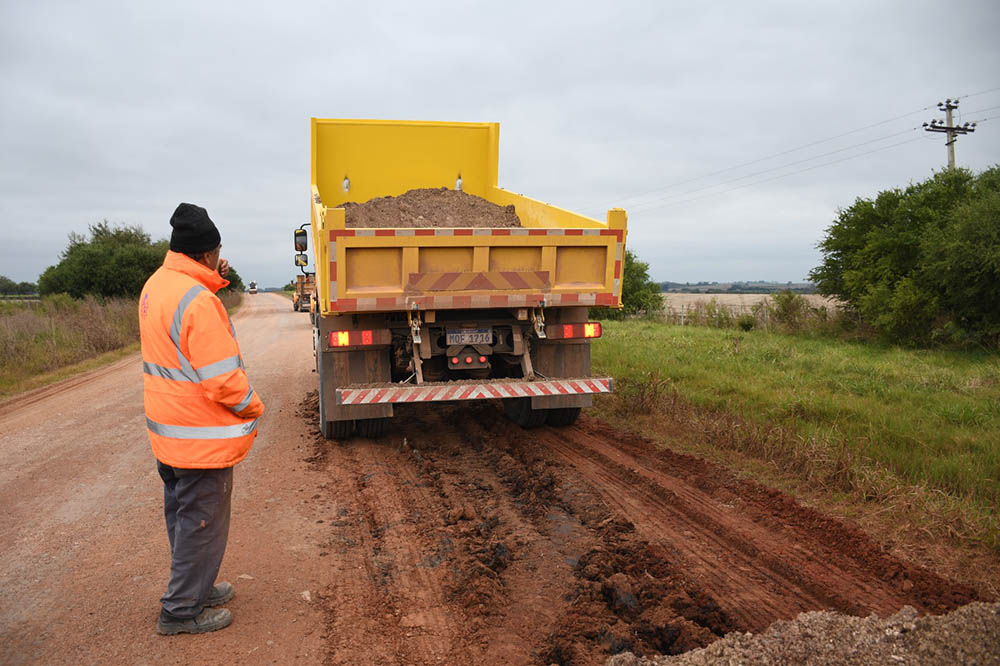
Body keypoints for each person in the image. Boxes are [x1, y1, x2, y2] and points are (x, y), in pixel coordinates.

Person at [139, 202, 265, 635]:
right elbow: (223, 380)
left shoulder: (159, 285)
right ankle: (180, 611)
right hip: (199, 439)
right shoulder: (198, 302)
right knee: (202, 523)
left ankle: (196, 586)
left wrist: (211, 269)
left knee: (183, 516)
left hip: (171, 434)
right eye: (217, 251)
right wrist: (253, 406)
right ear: (206, 254)